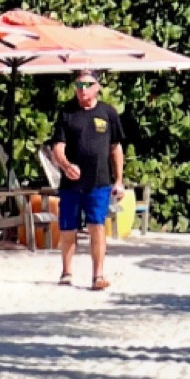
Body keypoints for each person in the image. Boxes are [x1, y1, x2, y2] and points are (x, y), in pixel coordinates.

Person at [49, 70, 125, 291]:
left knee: (97, 226)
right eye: (79, 86)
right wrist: (65, 165)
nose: (83, 90)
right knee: (67, 228)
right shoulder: (67, 113)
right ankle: (66, 271)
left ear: (98, 87)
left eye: (87, 85)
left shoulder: (108, 113)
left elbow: (116, 148)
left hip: (99, 181)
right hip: (71, 183)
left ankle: (98, 275)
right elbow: (57, 147)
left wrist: (119, 180)